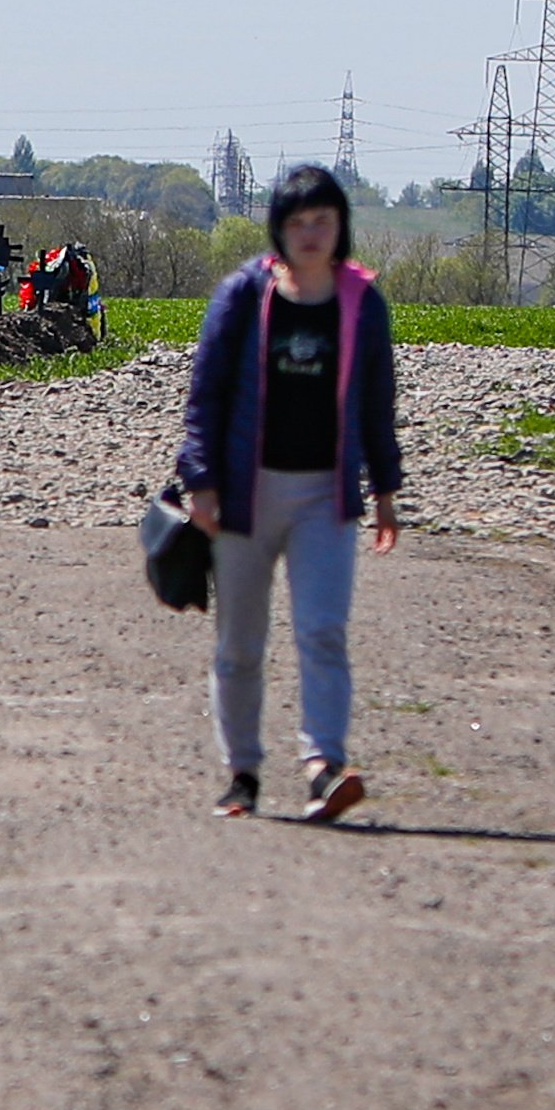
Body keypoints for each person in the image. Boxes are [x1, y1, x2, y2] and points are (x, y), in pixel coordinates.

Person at [173, 163, 403, 822]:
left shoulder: (361, 302)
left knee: (321, 630)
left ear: (340, 228)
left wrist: (385, 490)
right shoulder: (242, 296)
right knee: (239, 643)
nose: (309, 234)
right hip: (245, 496)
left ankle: (323, 768)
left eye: (322, 221)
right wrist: (202, 484)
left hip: (323, 499)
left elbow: (375, 405)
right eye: (297, 222)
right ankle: (241, 774)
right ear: (278, 228)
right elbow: (204, 398)